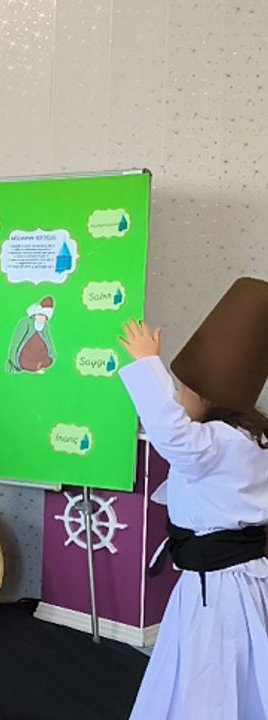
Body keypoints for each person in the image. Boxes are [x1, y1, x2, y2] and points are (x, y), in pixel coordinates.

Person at [117, 277, 268, 720]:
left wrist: (147, 364)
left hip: (221, 589)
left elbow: (173, 434)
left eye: (183, 391)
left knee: (214, 668)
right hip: (223, 580)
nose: (178, 398)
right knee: (227, 663)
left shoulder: (220, 444)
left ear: (209, 398)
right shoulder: (244, 439)